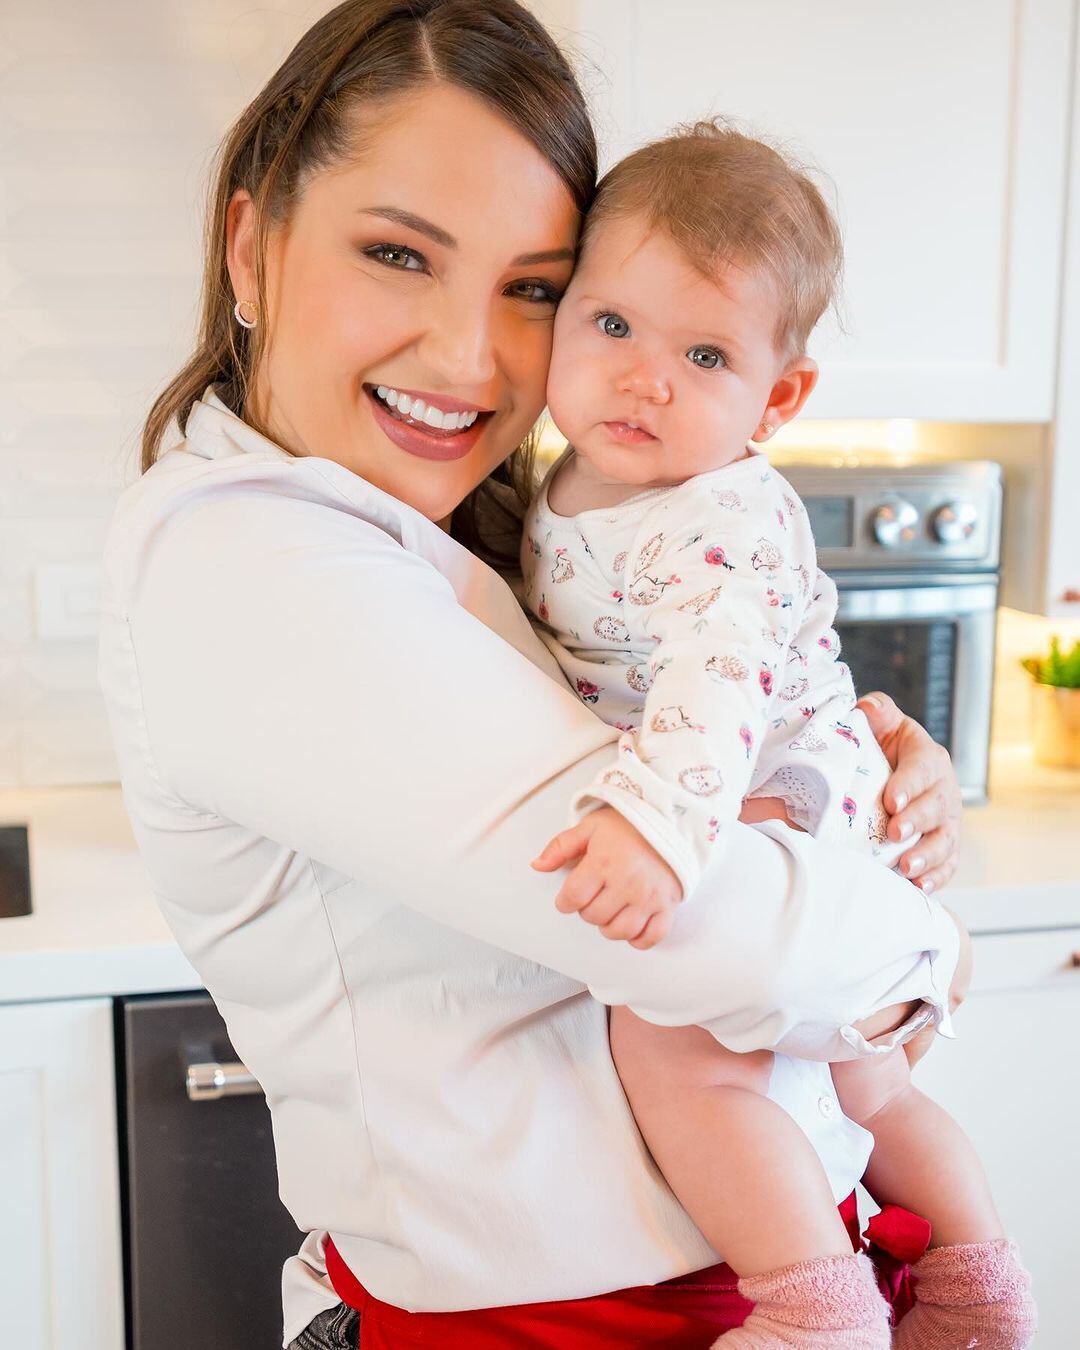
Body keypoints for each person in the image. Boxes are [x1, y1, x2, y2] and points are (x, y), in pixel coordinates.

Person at [98, 3, 969, 1347]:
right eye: (398, 253)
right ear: (251, 248)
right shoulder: (247, 561)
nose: (469, 356)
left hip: (721, 1275)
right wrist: (917, 935)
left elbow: (678, 714)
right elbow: (705, 924)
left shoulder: (486, 530)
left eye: (534, 289)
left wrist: (835, 751)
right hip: (554, 1317)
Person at [524, 122, 1036, 1348]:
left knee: (677, 1056)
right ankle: (976, 1279)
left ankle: (813, 1310)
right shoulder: (571, 477)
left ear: (780, 396)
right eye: (612, 327)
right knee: (872, 1082)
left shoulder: (717, 512)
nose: (646, 377)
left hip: (764, 787)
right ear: (562, 313)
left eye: (704, 353)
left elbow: (716, 676)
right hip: (773, 780)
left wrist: (654, 826)